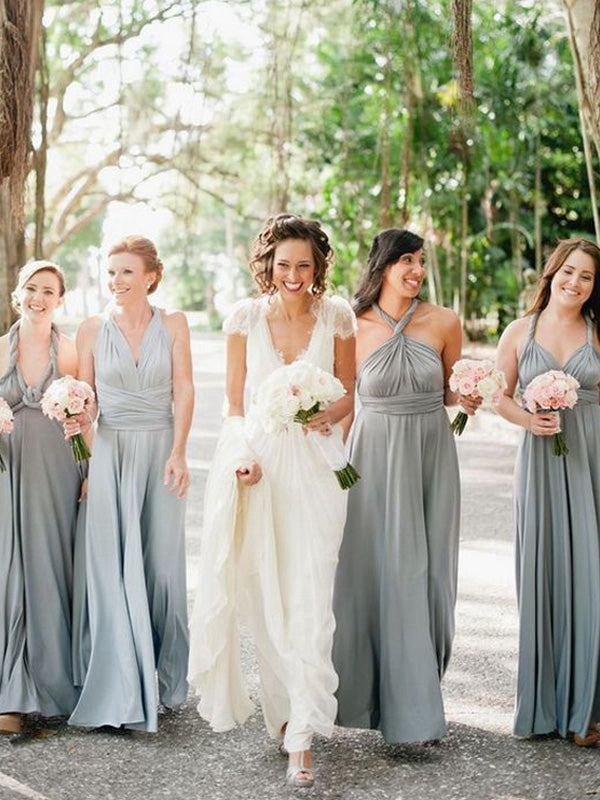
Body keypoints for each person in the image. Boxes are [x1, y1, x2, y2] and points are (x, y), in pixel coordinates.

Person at [189, 214, 356, 788]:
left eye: (304, 265)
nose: (294, 274)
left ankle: (304, 736)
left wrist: (317, 413)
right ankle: (285, 715)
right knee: (266, 600)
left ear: (318, 267)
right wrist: (241, 455)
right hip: (259, 469)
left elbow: (348, 396)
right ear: (269, 265)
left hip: (316, 469)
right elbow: (233, 405)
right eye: (284, 264)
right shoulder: (242, 320)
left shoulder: (337, 318)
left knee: (311, 595)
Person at [332, 228, 474, 744]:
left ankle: (417, 700)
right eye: (405, 261)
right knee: (372, 574)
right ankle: (377, 704)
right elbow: (345, 402)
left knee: (427, 574)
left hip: (431, 455)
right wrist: (332, 466)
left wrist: (470, 396)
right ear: (383, 265)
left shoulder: (443, 322)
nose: (416, 270)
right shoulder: (351, 325)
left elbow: (453, 391)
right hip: (369, 458)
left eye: (421, 261)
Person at [67, 235, 194, 732]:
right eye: (111, 272)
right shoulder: (92, 329)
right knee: (113, 569)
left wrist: (180, 452)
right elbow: (90, 400)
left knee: (161, 569)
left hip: (161, 448)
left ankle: (161, 679)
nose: (116, 281)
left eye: (126, 272)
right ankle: (120, 685)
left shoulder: (175, 324)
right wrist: (81, 436)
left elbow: (183, 390)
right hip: (112, 451)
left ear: (150, 276)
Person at [495, 237, 600, 746]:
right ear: (552, 272)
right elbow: (500, 395)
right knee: (545, 572)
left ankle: (587, 712)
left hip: (592, 459)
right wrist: (528, 418)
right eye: (568, 271)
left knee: (591, 577)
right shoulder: (520, 331)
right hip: (539, 460)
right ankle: (542, 708)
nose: (574, 283)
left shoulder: (598, 333)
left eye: (586, 277)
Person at [0, 261, 84, 735]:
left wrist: (88, 472)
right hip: (8, 469)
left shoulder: (70, 351)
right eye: (31, 289)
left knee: (53, 566)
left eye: (48, 291)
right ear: (18, 294)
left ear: (60, 299)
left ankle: (55, 685)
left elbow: (80, 417)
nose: (38, 298)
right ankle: (10, 693)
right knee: (10, 571)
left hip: (56, 467)